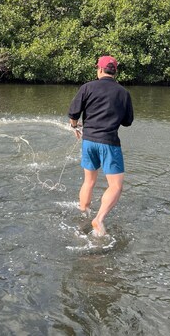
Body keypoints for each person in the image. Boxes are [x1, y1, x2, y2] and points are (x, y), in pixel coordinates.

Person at [68, 55, 134, 236]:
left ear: (99, 69)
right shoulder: (123, 93)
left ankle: (84, 212)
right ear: (115, 72)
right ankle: (99, 218)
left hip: (88, 141)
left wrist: (75, 127)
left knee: (89, 181)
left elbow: (73, 113)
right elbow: (128, 121)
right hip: (109, 143)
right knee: (116, 186)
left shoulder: (87, 87)